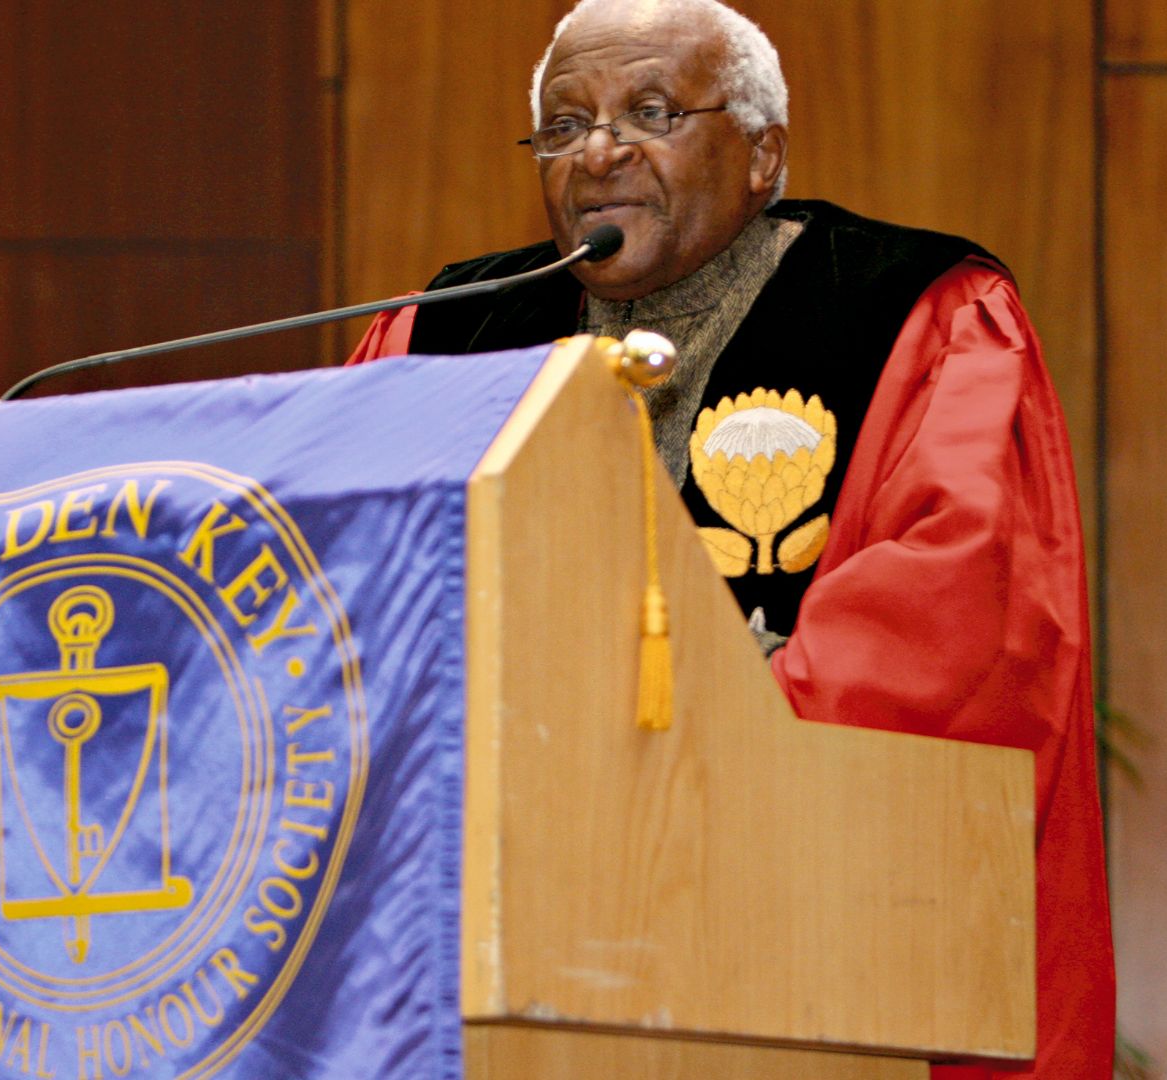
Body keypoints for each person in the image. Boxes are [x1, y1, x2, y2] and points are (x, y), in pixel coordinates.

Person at [347, 1, 1115, 1076]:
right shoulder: (443, 334)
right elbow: (345, 591)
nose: (599, 152)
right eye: (564, 125)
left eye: (651, 111)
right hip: (485, 936)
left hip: (807, 936)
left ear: (762, 155)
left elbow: (952, 621)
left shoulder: (913, 314)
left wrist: (653, 772)